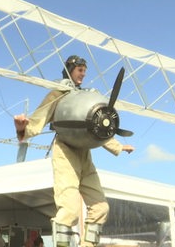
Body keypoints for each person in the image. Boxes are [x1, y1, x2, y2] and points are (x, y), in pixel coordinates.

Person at [13, 55, 135, 247]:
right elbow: (40, 118)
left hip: (84, 152)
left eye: (85, 71)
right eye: (80, 70)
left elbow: (94, 125)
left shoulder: (85, 94)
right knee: (69, 209)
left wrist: (118, 145)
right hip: (65, 151)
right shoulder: (59, 93)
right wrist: (22, 128)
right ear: (70, 69)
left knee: (101, 207)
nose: (83, 74)